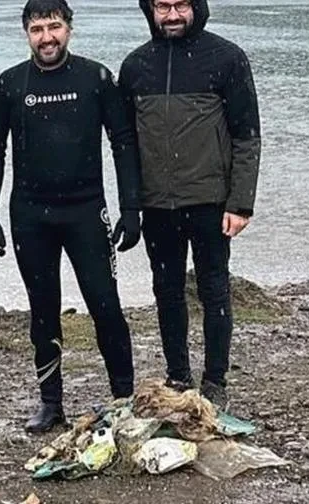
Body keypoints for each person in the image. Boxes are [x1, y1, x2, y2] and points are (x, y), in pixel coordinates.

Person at [0, 0, 141, 433]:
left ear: (69, 28)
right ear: (26, 33)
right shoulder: (10, 83)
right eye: (37, 29)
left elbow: (123, 141)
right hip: (30, 214)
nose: (46, 37)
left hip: (86, 211)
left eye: (54, 27)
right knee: (43, 309)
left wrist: (131, 209)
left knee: (105, 305)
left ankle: (124, 399)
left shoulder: (96, 78)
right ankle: (51, 403)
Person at [120, 0, 261, 408]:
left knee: (214, 289)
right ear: (149, 9)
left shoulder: (227, 58)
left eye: (181, 4)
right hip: (157, 204)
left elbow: (247, 136)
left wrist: (241, 203)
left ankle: (215, 380)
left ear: (196, 6)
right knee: (166, 290)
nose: (172, 15)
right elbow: (125, 144)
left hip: (211, 201)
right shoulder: (135, 66)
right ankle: (178, 375)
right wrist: (131, 205)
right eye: (162, 6)